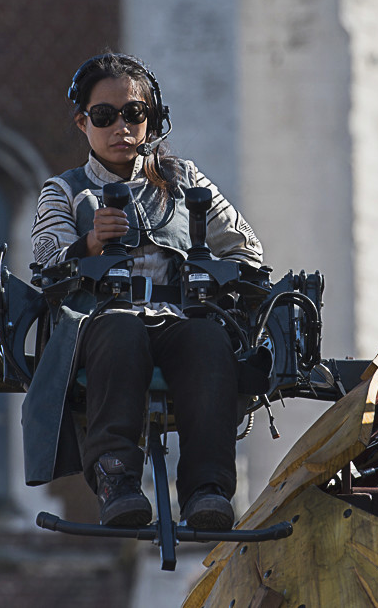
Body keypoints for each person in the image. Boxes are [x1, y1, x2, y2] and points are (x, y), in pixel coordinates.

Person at [25, 53, 263, 530]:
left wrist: (216, 279)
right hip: (99, 325)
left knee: (207, 340)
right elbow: (45, 265)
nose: (121, 127)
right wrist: (91, 241)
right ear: (83, 122)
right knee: (120, 331)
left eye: (134, 115)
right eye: (104, 116)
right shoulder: (65, 191)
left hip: (178, 318)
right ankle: (116, 480)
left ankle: (207, 489)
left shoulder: (184, 180)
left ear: (151, 120)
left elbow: (248, 251)